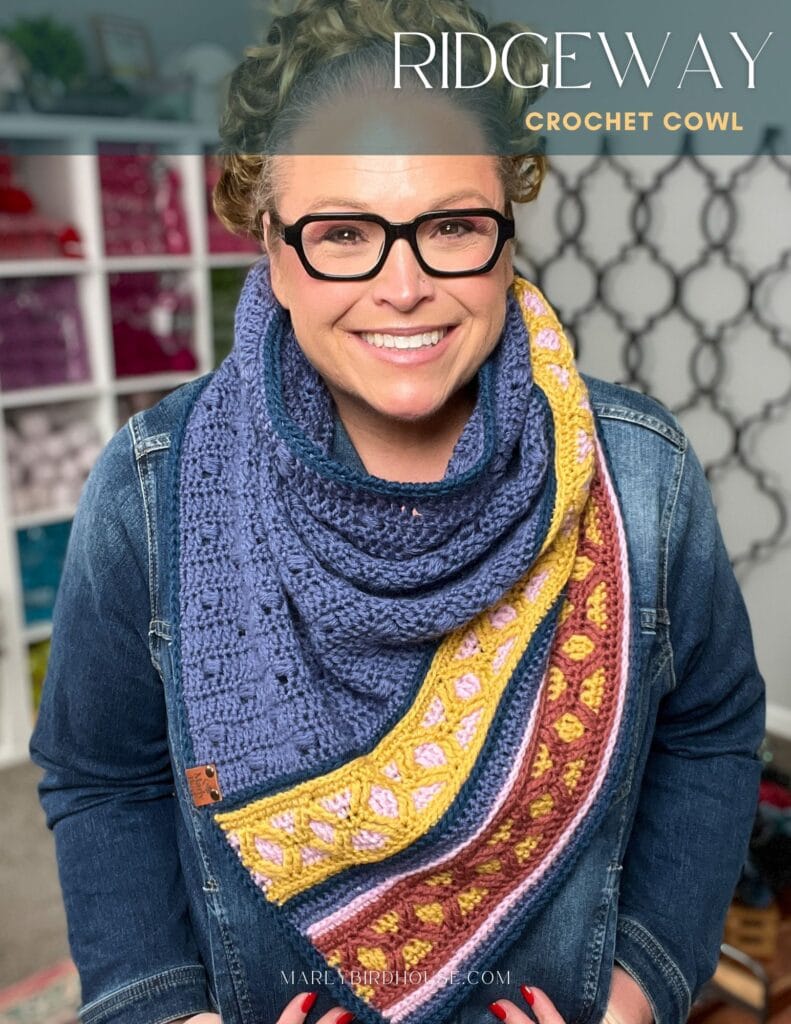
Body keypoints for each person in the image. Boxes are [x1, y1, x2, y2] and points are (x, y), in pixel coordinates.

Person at [29, 2, 766, 1024]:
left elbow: (711, 731)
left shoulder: (635, 473)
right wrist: (162, 1010)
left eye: (451, 225)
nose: (404, 285)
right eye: (341, 234)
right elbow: (104, 778)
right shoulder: (153, 489)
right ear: (271, 246)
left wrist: (638, 989)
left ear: (505, 228)